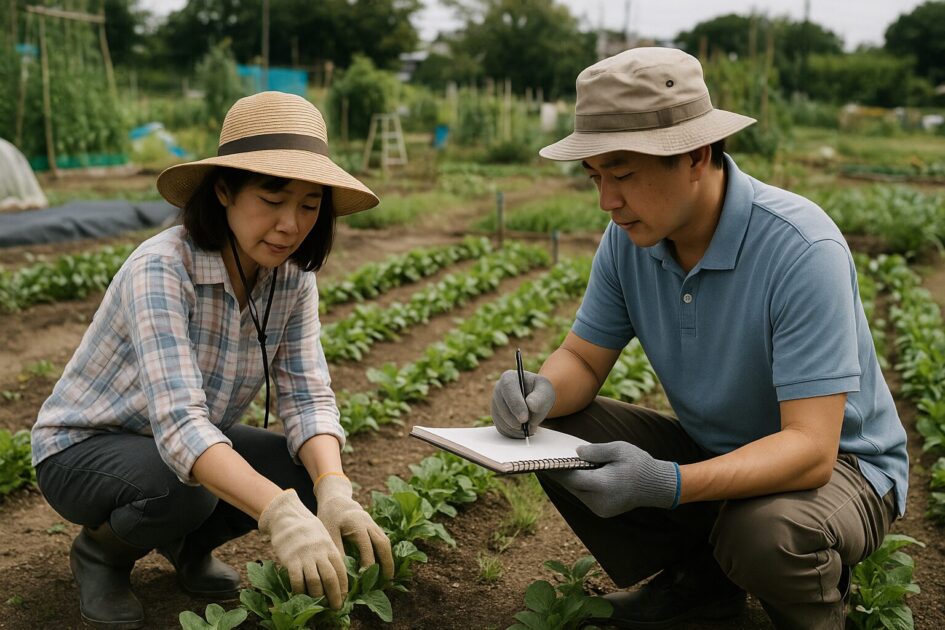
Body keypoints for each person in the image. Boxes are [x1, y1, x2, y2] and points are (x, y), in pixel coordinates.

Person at [491, 47, 908, 630]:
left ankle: (814, 612)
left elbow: (811, 450)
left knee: (764, 532)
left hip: (841, 469)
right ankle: (702, 587)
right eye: (596, 178)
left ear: (695, 155)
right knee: (553, 433)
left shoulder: (800, 248)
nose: (607, 202)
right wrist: (538, 393)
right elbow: (583, 359)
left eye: (623, 174)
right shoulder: (629, 240)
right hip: (720, 453)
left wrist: (668, 483)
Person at [31, 91, 393, 629]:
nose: (292, 225)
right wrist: (280, 514)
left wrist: (333, 488)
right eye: (273, 199)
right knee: (188, 485)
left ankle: (186, 548)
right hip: (83, 448)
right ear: (223, 189)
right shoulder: (161, 269)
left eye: (310, 204)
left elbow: (308, 394)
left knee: (300, 467)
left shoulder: (291, 279)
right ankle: (102, 555)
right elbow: (180, 427)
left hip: (168, 447)